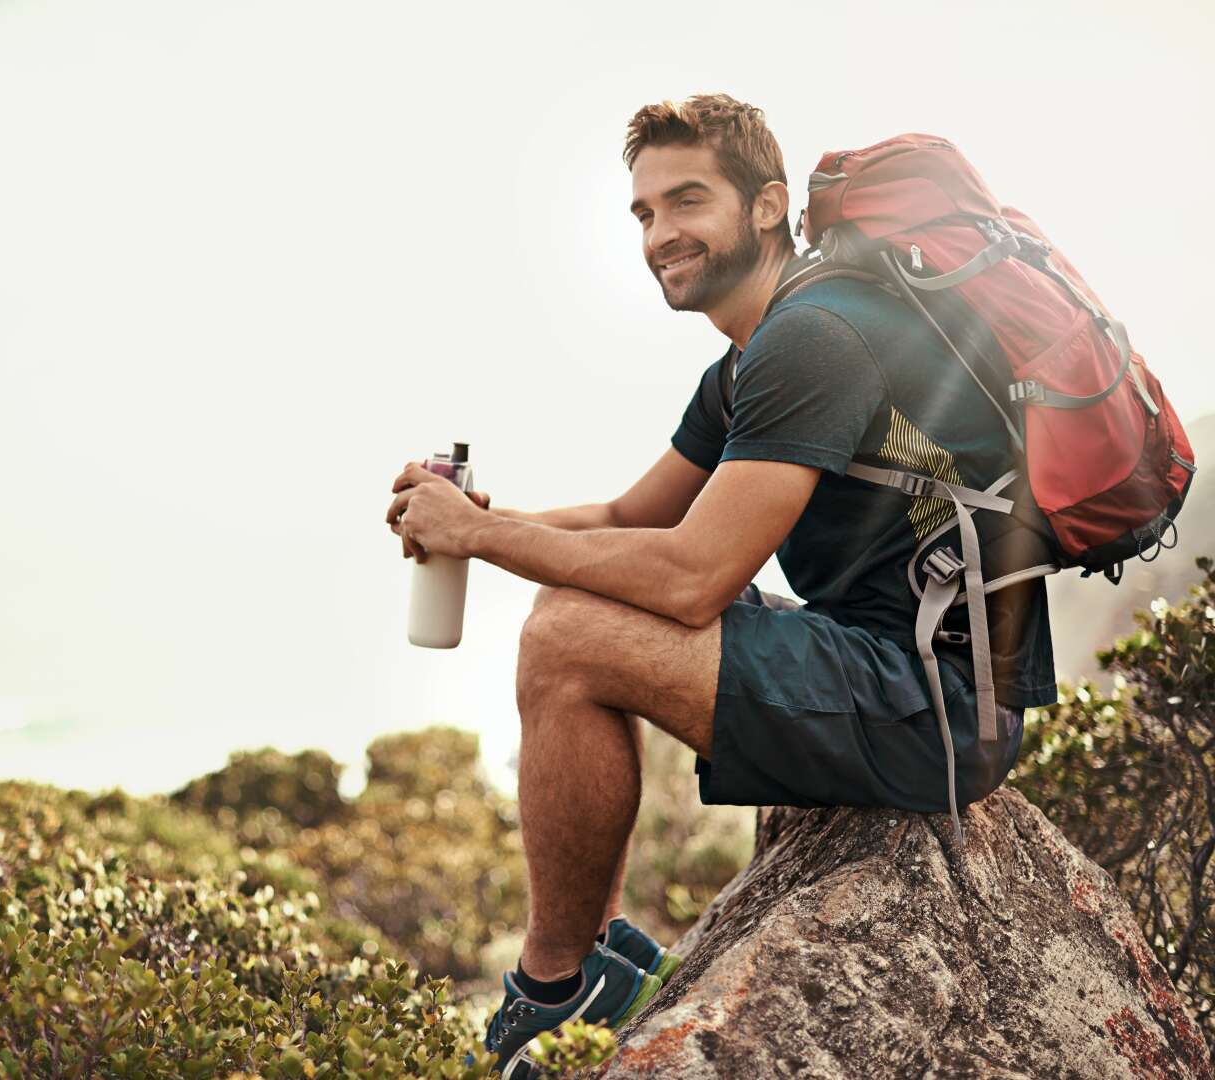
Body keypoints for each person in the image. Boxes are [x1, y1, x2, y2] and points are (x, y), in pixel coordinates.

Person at [384, 94, 1055, 1078]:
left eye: (687, 201)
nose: (661, 235)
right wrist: (484, 520)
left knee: (568, 636)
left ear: (768, 206)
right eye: (645, 213)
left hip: (940, 712)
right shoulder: (751, 358)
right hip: (890, 668)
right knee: (570, 613)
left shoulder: (816, 337)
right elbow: (629, 521)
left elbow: (694, 575)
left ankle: (555, 990)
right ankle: (597, 966)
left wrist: (480, 537)